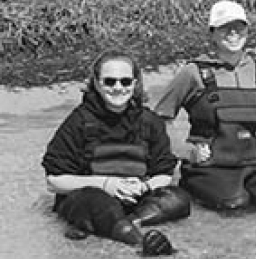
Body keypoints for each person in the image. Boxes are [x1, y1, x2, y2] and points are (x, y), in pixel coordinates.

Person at [42, 51, 189, 256]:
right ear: (96, 83)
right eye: (109, 81)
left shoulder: (150, 122)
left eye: (125, 81)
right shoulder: (78, 122)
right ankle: (141, 244)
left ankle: (126, 223)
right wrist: (106, 185)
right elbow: (54, 181)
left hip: (134, 199)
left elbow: (164, 173)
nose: (118, 88)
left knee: (179, 199)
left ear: (135, 83)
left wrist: (144, 187)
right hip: (92, 197)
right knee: (97, 202)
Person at [154, 0, 256, 210]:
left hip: (251, 162)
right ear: (212, 33)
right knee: (235, 204)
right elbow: (159, 120)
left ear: (247, 30)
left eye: (239, 26)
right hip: (210, 166)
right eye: (225, 27)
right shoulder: (193, 72)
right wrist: (186, 151)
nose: (233, 33)